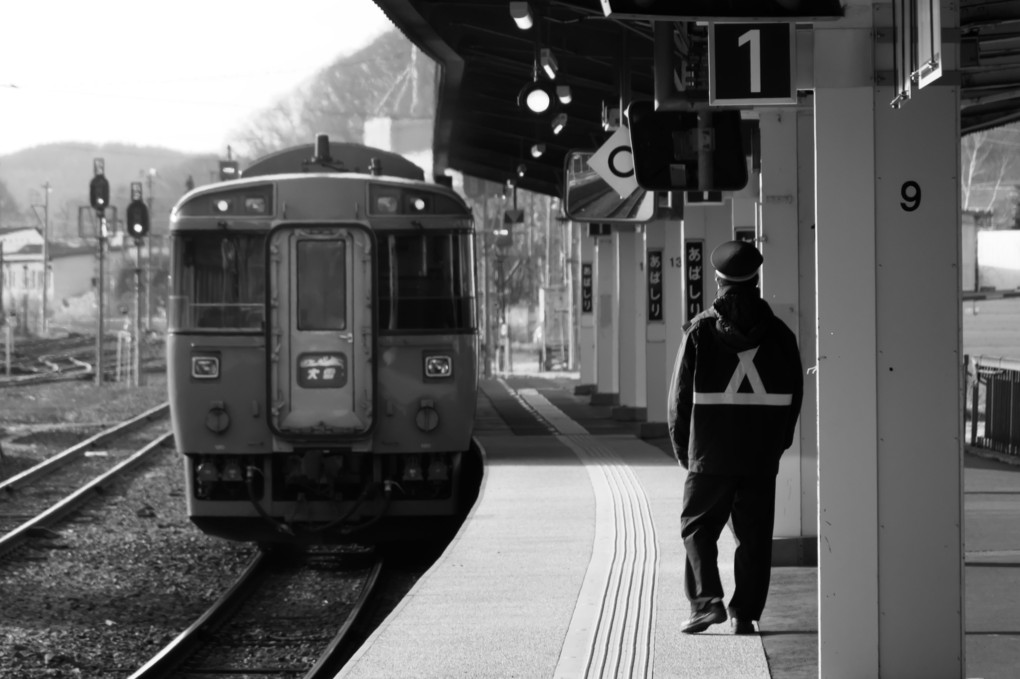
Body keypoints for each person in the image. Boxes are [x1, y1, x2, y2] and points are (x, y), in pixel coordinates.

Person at [666, 240, 803, 635]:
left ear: (718, 279)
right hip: (760, 456)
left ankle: (706, 603)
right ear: (757, 280)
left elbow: (678, 401)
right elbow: (794, 398)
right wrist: (777, 445)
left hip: (709, 454)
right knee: (755, 536)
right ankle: (745, 613)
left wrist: (682, 450)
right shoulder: (781, 336)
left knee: (697, 527)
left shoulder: (700, 333)